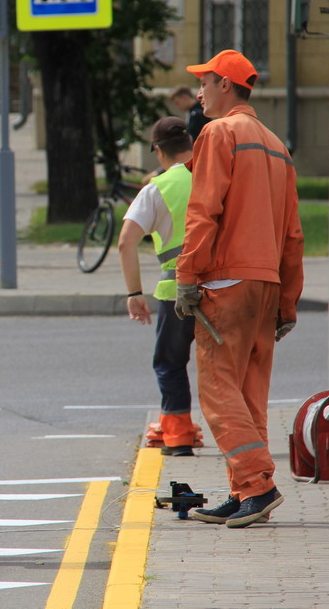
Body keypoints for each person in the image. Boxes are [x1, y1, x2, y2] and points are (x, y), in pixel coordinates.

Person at [175, 50, 303, 528]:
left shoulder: (219, 133)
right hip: (265, 282)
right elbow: (293, 233)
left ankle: (257, 484)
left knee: (217, 389)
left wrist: (187, 276)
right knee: (249, 393)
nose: (200, 92)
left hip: (226, 279)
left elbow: (203, 210)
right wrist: (288, 300)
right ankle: (246, 491)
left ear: (225, 85)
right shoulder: (276, 145)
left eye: (205, 83)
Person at [117, 117, 200, 457]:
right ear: (191, 144)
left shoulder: (158, 188)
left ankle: (179, 436)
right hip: (227, 285)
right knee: (226, 367)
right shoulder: (218, 174)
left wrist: (134, 293)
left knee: (170, 363)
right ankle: (241, 439)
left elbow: (126, 243)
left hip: (176, 292)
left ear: (158, 151)